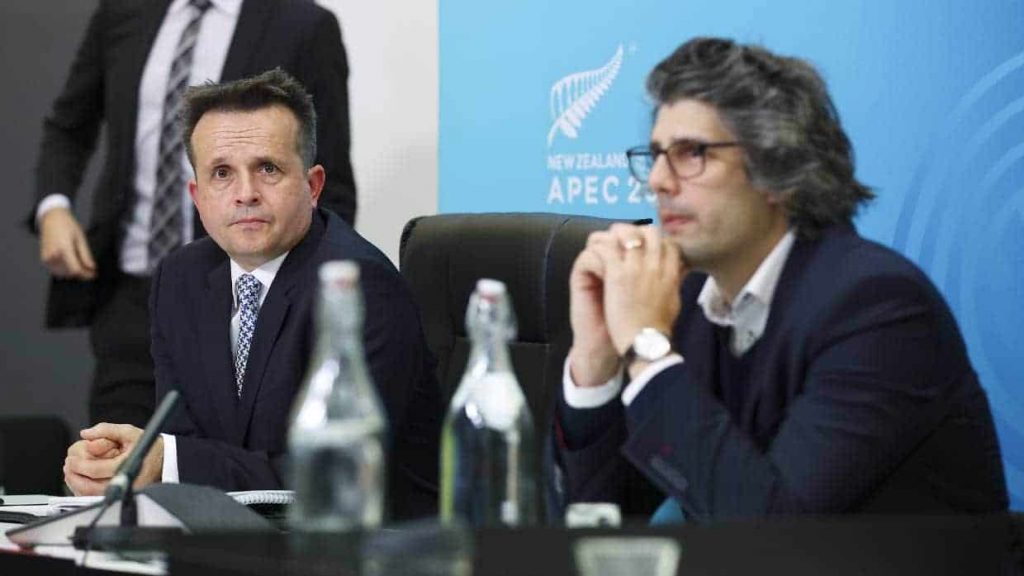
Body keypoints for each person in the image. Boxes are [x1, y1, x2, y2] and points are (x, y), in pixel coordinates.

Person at [552, 37, 1008, 521]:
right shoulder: (685, 301)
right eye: (657, 154)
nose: (658, 181)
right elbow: (606, 519)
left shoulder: (878, 309)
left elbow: (773, 534)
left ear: (779, 169)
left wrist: (647, 347)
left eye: (691, 153)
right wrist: (597, 360)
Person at [62, 70, 441, 521]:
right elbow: (188, 437)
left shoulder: (358, 288)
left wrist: (168, 461)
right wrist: (126, 462)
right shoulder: (181, 279)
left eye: (268, 169)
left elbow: (327, 475)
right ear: (197, 197)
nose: (245, 194)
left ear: (313, 186)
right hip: (236, 541)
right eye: (222, 173)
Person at [32, 0, 357, 429]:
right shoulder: (123, 13)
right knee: (117, 464)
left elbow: (328, 185)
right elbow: (68, 125)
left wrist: (294, 307)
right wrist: (53, 207)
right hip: (130, 297)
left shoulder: (304, 25)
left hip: (243, 301)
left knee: (219, 471)